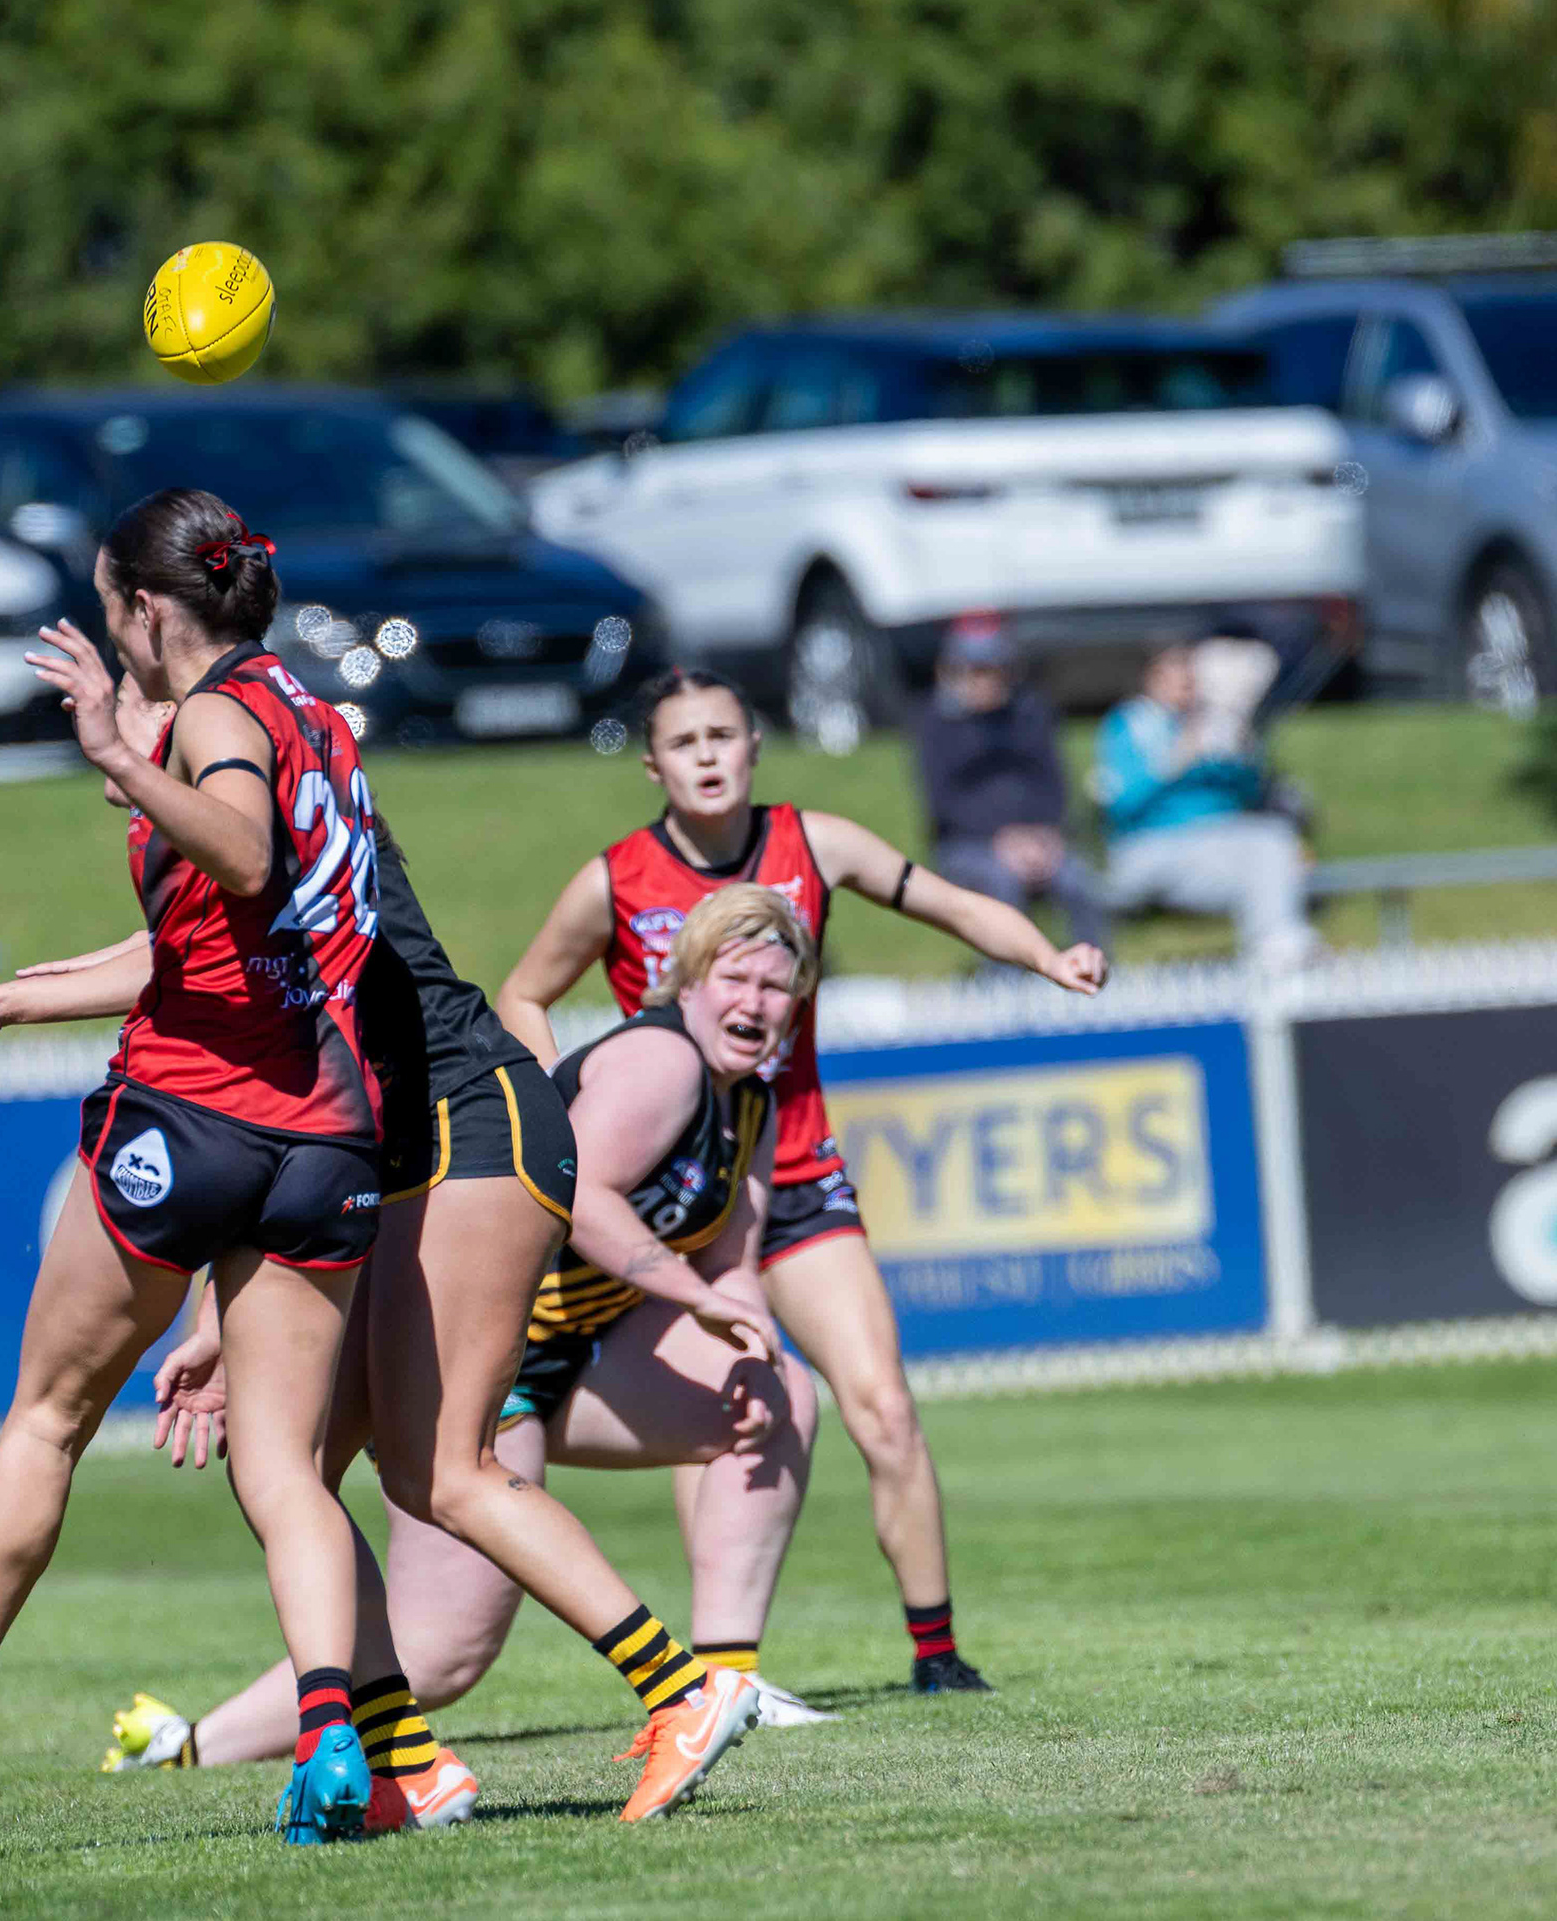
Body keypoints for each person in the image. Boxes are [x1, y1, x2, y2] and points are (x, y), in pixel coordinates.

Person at [0, 704, 768, 1827]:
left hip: (469, 1123)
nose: (105, 722)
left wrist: (6, 1000)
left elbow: (184, 976)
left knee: (442, 1470)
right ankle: (405, 1758)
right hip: (405, 1144)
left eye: (135, 691)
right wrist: (217, 1321)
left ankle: (683, 1689)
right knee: (293, 1468)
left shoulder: (270, 801)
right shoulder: (256, 817)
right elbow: (186, 963)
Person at [0, 486, 406, 1844]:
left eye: (111, 610)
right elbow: (216, 933)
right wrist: (7, 999)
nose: (111, 637)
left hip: (194, 1116)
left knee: (49, 1415)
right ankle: (333, 1737)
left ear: (151, 608)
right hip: (327, 1128)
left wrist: (118, 749)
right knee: (284, 1469)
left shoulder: (214, 717)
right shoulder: (319, 718)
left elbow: (242, 852)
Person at [499, 667, 1109, 1695]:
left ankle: (937, 1656)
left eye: (722, 733)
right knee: (721, 1407)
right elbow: (523, 991)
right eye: (683, 739)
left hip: (797, 1175)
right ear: (652, 764)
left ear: (753, 746)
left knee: (883, 1405)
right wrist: (565, 1112)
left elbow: (952, 902)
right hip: (680, 1205)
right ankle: (724, 1674)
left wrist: (1047, 956)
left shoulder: (814, 843)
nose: (706, 754)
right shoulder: (615, 879)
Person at [1091, 633, 1317, 968]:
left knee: (1273, 850)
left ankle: (1278, 954)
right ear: (1150, 678)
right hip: (1151, 847)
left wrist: (1243, 754)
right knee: (1270, 850)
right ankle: (1280, 953)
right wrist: (1174, 761)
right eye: (1175, 674)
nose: (1187, 683)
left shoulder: (1213, 723)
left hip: (1220, 844)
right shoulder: (1131, 724)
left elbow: (1247, 796)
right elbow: (1122, 807)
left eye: (1191, 674)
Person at [912, 616, 1108, 945]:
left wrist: (1045, 835)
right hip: (969, 843)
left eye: (994, 669)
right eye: (977, 671)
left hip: (1039, 839)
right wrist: (1001, 840)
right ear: (955, 673)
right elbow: (943, 804)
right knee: (1002, 885)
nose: (987, 680)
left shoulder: (1030, 715)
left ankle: (1093, 965)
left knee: (1079, 880)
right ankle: (1005, 974)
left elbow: (1053, 785)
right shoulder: (936, 725)